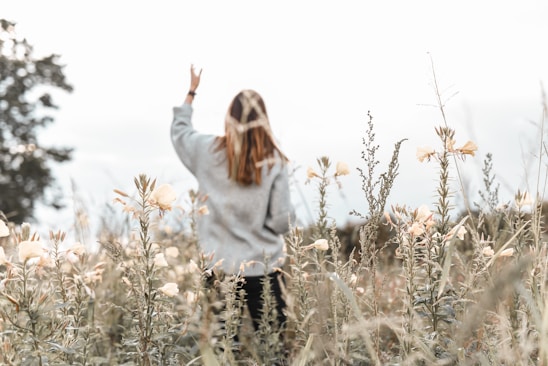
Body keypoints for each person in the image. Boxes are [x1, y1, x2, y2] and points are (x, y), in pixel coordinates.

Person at [170, 65, 295, 335]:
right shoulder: (274, 162)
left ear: (229, 116)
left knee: (222, 347)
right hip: (264, 269)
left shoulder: (206, 151)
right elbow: (281, 221)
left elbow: (180, 131)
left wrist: (192, 91)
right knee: (274, 348)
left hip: (218, 270)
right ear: (264, 119)